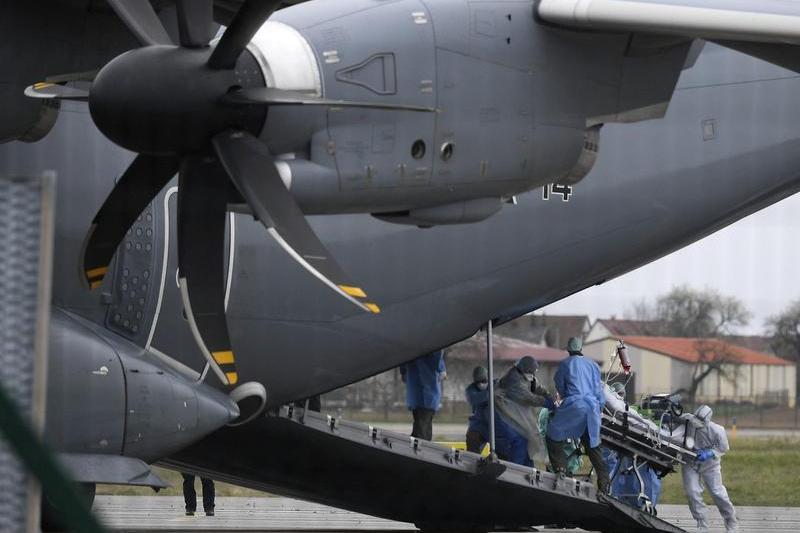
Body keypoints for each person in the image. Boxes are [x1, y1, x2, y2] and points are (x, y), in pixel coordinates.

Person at [546, 336, 609, 493]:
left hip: (574, 405)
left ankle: (562, 472)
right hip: (593, 408)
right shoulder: (593, 365)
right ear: (581, 349)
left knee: (553, 435)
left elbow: (560, 385)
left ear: (568, 350)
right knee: (592, 443)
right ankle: (604, 480)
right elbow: (598, 390)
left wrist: (566, 397)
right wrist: (599, 407)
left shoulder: (565, 364)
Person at [682, 405, 738, 533]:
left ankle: (731, 521)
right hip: (690, 461)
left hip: (710, 465)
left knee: (717, 492)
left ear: (707, 421)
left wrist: (710, 453)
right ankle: (702, 523)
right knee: (692, 492)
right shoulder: (688, 420)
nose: (696, 423)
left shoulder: (718, 430)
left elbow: (724, 448)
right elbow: (675, 417)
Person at [491, 356, 554, 467]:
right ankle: (514, 473)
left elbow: (535, 387)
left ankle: (527, 471)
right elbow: (528, 398)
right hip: (505, 416)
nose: (533, 375)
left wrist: (546, 394)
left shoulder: (525, 375)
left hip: (516, 414)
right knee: (520, 443)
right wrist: (547, 402)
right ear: (524, 369)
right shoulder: (513, 379)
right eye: (531, 373)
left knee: (527, 443)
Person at [400, 350, 446, 441]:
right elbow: (437, 356)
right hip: (428, 397)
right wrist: (442, 369)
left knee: (421, 427)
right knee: (423, 430)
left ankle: (416, 450)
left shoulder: (411, 346)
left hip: (417, 398)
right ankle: (419, 452)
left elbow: (402, 363)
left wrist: (404, 373)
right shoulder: (429, 347)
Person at [465, 366, 490, 453]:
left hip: (494, 426)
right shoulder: (470, 390)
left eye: (484, 381)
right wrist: (491, 393)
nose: (481, 384)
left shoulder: (495, 385)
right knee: (472, 452)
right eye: (478, 382)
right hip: (477, 426)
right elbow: (474, 399)